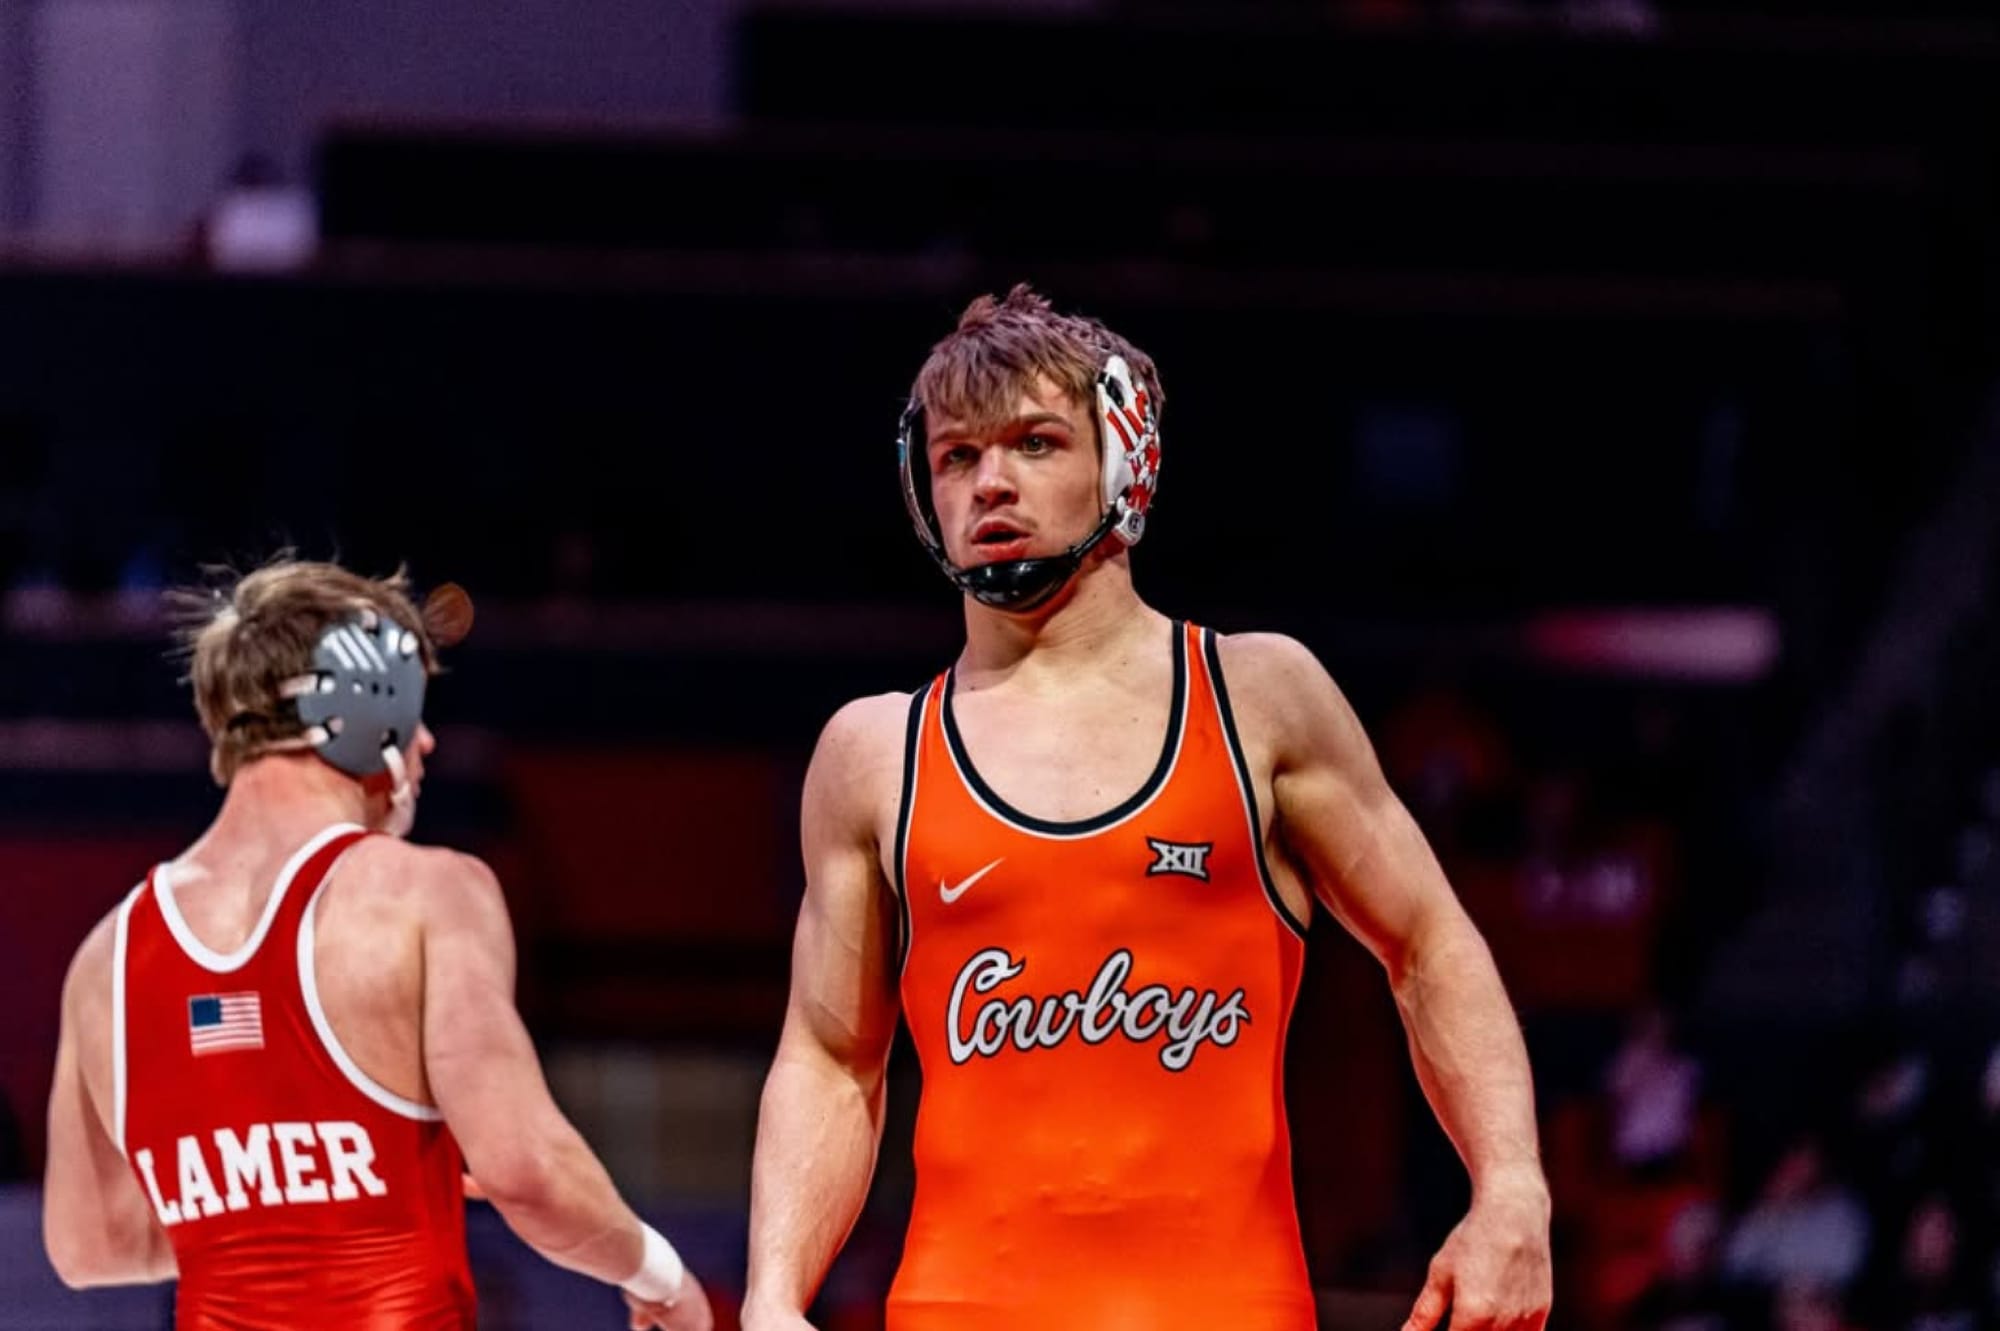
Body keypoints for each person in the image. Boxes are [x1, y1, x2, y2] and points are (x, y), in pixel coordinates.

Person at [744, 285, 1553, 1330]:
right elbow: (829, 1056)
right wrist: (771, 1294)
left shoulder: (1257, 700)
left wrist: (1511, 1188)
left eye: (1035, 443)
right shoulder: (874, 755)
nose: (990, 481)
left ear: (1125, 459)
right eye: (955, 455)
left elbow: (1428, 942)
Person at [41, 558, 711, 1331]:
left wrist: (276, 1207)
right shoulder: (425, 893)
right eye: (414, 706)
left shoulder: (107, 957)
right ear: (363, 706)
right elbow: (527, 1170)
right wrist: (661, 1276)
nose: (425, 740)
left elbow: (90, 1244)